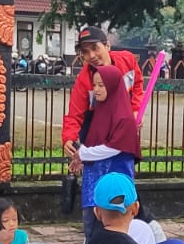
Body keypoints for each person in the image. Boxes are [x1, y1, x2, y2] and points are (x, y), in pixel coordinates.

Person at [61, 25, 144, 176]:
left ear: (107, 46)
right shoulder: (83, 81)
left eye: (95, 48)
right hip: (96, 128)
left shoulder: (128, 60)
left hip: (123, 125)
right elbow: (74, 115)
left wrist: (135, 109)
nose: (91, 55)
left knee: (121, 176)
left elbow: (138, 84)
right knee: (96, 175)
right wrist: (69, 138)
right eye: (85, 52)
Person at [75, 64, 142, 244]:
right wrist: (83, 156)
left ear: (112, 86)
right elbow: (95, 142)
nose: (96, 89)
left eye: (101, 85)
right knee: (91, 228)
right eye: (94, 85)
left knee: (112, 231)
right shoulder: (100, 112)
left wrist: (84, 153)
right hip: (94, 181)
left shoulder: (124, 117)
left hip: (114, 186)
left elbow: (114, 147)